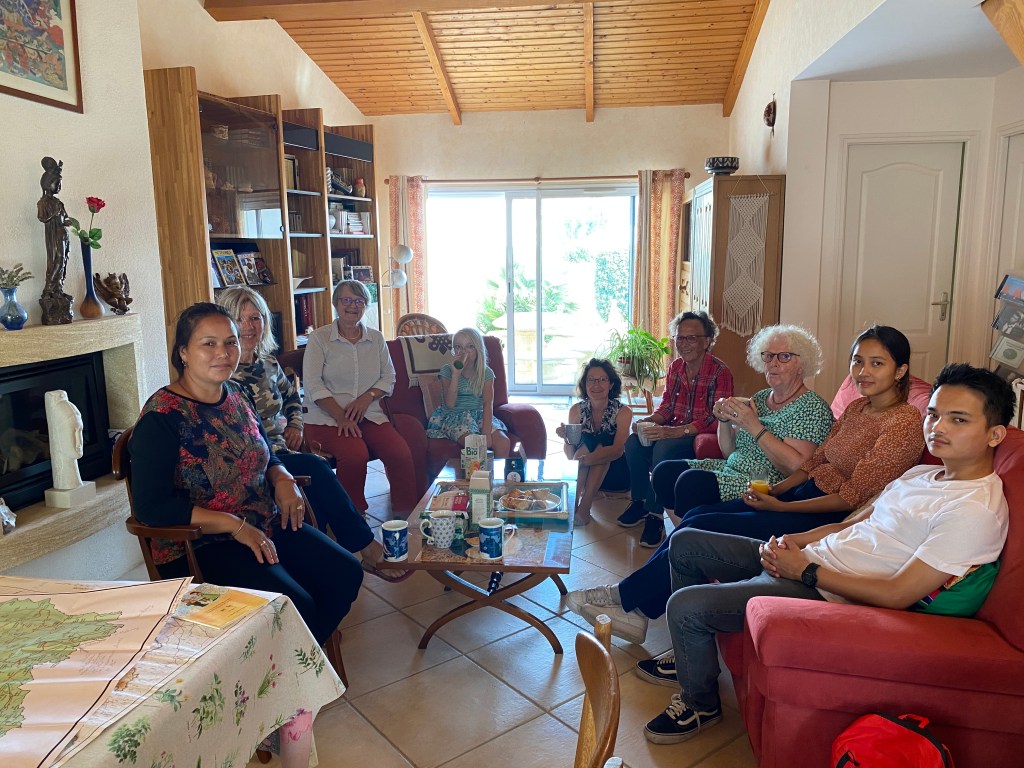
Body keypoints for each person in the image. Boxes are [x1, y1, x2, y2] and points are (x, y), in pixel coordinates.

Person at [642, 363, 1011, 745]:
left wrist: (805, 571)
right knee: (686, 542)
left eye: (958, 419)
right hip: (810, 561)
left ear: (995, 434)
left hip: (826, 590)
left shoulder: (974, 510)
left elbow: (898, 593)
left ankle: (700, 704)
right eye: (933, 414)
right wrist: (792, 541)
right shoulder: (920, 476)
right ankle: (689, 659)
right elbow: (847, 524)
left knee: (685, 607)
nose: (938, 427)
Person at [567, 324, 834, 643]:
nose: (773, 364)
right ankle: (678, 568)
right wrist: (725, 422)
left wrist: (753, 425)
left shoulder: (812, 407)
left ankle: (648, 587)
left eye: (784, 357)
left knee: (691, 489)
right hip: (733, 469)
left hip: (766, 485)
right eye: (768, 356)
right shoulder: (761, 399)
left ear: (802, 363)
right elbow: (729, 452)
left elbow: (796, 468)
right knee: (665, 473)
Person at [129, 302, 362, 647]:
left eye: (231, 342)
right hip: (201, 545)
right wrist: (234, 526)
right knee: (296, 605)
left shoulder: (237, 394)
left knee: (346, 573)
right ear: (183, 353)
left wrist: (281, 477)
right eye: (208, 344)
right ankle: (297, 657)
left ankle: (298, 657)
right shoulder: (162, 417)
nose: (223, 353)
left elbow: (265, 450)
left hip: (262, 522)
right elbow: (152, 507)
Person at [217, 286, 407, 581]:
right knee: (318, 468)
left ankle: (335, 557)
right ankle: (365, 546)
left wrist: (295, 424)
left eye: (255, 318)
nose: (249, 327)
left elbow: (292, 397)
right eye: (239, 319)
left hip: (280, 453)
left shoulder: (268, 364)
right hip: (254, 461)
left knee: (317, 493)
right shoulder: (223, 373)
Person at [303, 280, 420, 518]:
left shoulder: (376, 339)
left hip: (368, 415)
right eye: (347, 300)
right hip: (327, 418)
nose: (353, 306)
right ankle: (352, 517)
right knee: (355, 455)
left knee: (399, 452)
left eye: (359, 301)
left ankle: (407, 516)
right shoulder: (319, 338)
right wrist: (341, 416)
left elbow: (389, 376)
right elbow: (313, 385)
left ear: (366, 306)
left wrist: (367, 397)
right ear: (336, 303)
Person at [617, 311, 734, 547]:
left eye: (691, 338)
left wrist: (677, 432)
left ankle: (655, 514)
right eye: (680, 338)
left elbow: (718, 418)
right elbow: (667, 407)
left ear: (707, 341)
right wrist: (649, 420)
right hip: (673, 430)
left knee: (664, 449)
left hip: (699, 435)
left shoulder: (720, 372)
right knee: (633, 442)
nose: (684, 344)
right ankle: (640, 502)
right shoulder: (676, 367)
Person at [554, 359, 633, 525]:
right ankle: (575, 503)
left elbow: (618, 450)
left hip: (616, 475)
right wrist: (567, 439)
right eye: (591, 379)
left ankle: (584, 506)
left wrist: (585, 460)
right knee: (587, 442)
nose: (596, 384)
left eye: (602, 379)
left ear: (611, 384)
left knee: (602, 441)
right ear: (585, 384)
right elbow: (571, 456)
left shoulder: (623, 412)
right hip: (584, 473)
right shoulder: (576, 410)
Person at [425, 327, 511, 458]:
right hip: (454, 417)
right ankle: (477, 471)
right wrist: (455, 375)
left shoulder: (486, 373)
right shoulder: (447, 371)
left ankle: (495, 471)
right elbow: (450, 404)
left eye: (470, 346)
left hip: (479, 415)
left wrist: (486, 432)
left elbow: (487, 403)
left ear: (478, 349)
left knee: (503, 443)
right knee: (474, 443)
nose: (464, 351)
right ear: (454, 351)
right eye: (458, 347)